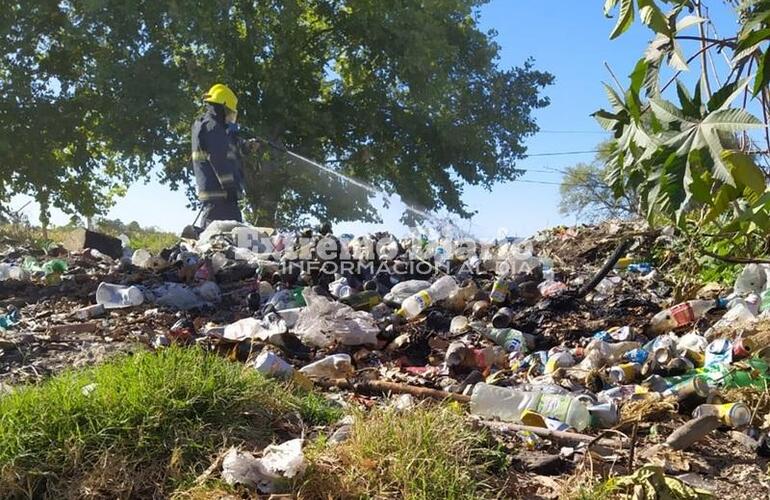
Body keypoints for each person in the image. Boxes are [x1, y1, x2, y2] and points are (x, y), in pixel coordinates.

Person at [191, 83, 250, 229]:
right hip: (221, 201)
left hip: (217, 200)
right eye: (230, 112)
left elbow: (226, 149)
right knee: (226, 239)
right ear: (222, 108)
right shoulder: (213, 127)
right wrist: (230, 188)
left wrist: (245, 146)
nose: (231, 117)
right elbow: (219, 160)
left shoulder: (208, 126)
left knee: (218, 239)